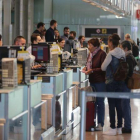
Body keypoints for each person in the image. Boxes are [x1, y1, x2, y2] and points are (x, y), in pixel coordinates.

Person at [101, 33, 125, 136]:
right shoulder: (122, 53)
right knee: (119, 104)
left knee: (111, 105)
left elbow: (103, 67)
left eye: (108, 41)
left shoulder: (110, 54)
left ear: (111, 42)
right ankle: (119, 127)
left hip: (111, 82)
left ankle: (112, 127)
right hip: (121, 81)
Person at [82, 38, 106, 131]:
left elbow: (103, 68)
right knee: (93, 102)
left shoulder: (102, 54)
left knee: (100, 102)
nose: (88, 47)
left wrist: (92, 70)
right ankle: (92, 122)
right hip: (92, 80)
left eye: (90, 45)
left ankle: (100, 123)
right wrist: (86, 68)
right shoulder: (90, 54)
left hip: (100, 81)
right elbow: (89, 64)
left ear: (95, 46)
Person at [120, 40, 137, 133]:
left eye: (122, 48)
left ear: (126, 48)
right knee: (125, 105)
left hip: (126, 84)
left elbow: (129, 72)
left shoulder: (129, 57)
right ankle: (127, 125)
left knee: (125, 105)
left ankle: (127, 126)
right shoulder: (129, 56)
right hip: (127, 84)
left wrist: (123, 78)